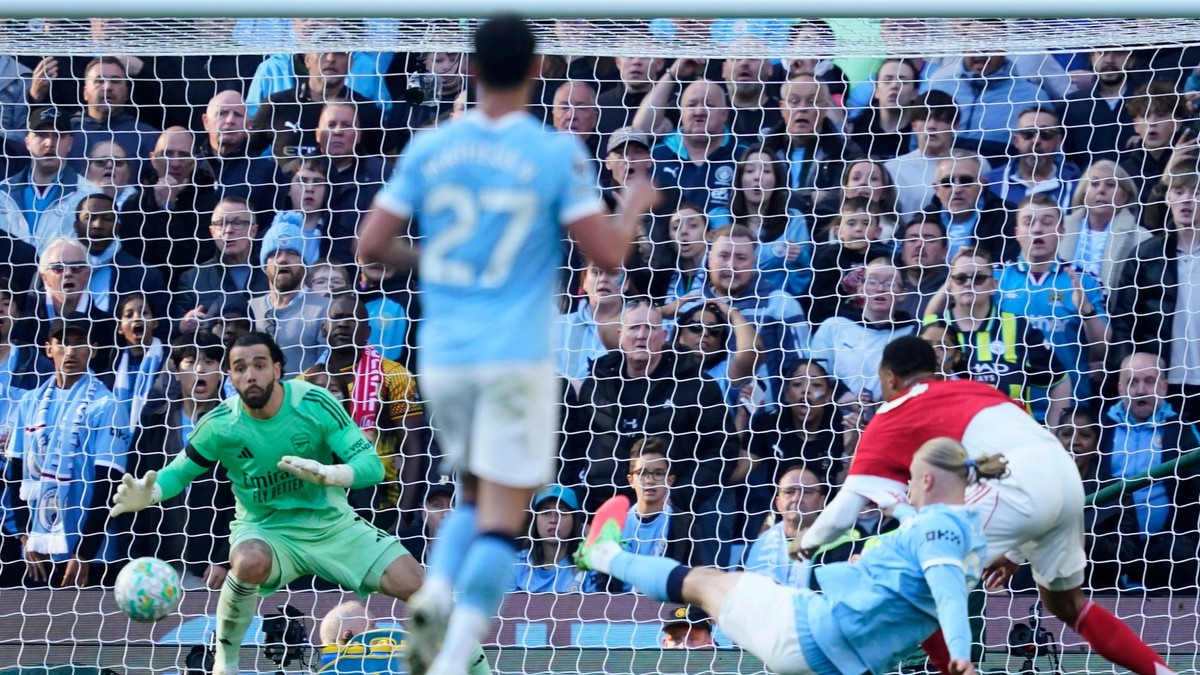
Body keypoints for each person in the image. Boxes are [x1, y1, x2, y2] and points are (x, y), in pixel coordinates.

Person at [355, 15, 654, 675]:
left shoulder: (432, 147)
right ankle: (455, 647)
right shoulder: (555, 153)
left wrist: (436, 263)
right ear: (538, 71)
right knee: (501, 517)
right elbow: (606, 253)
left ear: (469, 69)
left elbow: (370, 246)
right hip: (515, 354)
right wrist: (632, 201)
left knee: (469, 497)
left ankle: (436, 593)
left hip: (446, 354)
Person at [798, 336, 1178, 675]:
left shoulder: (890, 415)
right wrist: (1015, 549)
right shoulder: (978, 390)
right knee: (1068, 605)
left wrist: (804, 543)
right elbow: (1026, 459)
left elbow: (841, 516)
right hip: (1065, 476)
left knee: (921, 577)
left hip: (1015, 489)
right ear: (936, 371)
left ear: (889, 379)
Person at [109, 332, 426, 675]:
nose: (250, 375)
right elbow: (177, 473)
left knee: (421, 588)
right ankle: (225, 663)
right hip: (266, 530)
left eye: (259, 365)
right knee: (248, 560)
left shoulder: (314, 402)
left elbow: (372, 468)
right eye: (240, 367)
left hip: (333, 525)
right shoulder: (219, 425)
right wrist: (151, 493)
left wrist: (330, 474)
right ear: (231, 376)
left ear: (277, 368)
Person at [576, 437, 1001, 675]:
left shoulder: (937, 530)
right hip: (843, 664)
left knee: (702, 581)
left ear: (925, 478)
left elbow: (948, 599)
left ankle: (606, 555)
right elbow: (927, 598)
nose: (907, 486)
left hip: (811, 630)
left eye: (910, 479)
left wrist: (960, 657)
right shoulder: (964, 536)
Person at [3, 316, 130, 587]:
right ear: (49, 349)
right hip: (37, 552)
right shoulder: (28, 402)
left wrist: (85, 552)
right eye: (62, 343)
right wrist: (25, 537)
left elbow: (108, 483)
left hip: (92, 555)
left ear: (93, 349)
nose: (70, 351)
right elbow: (14, 475)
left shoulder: (107, 405)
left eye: (79, 343)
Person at [743, 464, 858, 590]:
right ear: (777, 503)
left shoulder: (846, 544)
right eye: (789, 492)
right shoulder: (758, 544)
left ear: (821, 502)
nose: (797, 498)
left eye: (807, 492)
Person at [509, 484, 593, 593]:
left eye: (562, 512)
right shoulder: (517, 563)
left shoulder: (587, 564)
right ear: (535, 519)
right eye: (546, 512)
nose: (553, 520)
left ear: (574, 520)